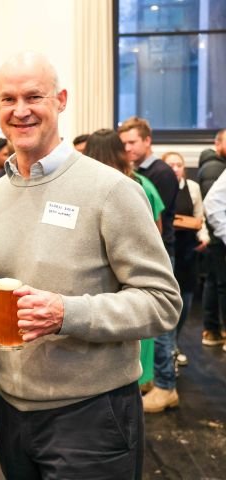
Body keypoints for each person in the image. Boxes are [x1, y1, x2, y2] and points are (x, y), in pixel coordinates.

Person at [0, 52, 181, 479]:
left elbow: (162, 302)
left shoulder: (111, 191)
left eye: (34, 96)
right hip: (10, 412)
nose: (20, 110)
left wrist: (67, 313)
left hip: (92, 416)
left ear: (61, 100)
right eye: (8, 99)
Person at [83, 128, 165, 393]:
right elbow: (156, 233)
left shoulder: (85, 186)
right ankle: (141, 383)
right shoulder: (141, 184)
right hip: (135, 274)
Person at [118, 116, 181, 413]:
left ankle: (166, 386)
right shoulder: (142, 173)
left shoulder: (159, 174)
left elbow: (154, 222)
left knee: (161, 324)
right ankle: (154, 380)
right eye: (123, 143)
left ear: (147, 141)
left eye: (132, 142)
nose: (128, 148)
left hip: (160, 257)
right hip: (150, 255)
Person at [164, 151, 209, 368]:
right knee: (168, 302)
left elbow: (200, 216)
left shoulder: (192, 188)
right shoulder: (161, 187)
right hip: (167, 251)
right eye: (170, 165)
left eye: (179, 165)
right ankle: (168, 348)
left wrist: (204, 237)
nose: (175, 169)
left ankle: (175, 342)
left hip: (188, 250)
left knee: (186, 301)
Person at [197, 129, 226, 347]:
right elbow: (212, 204)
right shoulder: (214, 168)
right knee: (220, 285)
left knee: (216, 283)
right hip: (218, 240)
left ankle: (213, 330)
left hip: (216, 237)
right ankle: (213, 330)